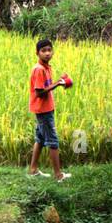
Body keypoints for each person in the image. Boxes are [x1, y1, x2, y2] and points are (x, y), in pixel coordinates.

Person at [28, 38, 71, 181]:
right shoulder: (39, 70)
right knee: (53, 141)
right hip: (43, 110)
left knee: (40, 139)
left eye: (49, 50)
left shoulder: (46, 67)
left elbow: (46, 87)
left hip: (46, 108)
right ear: (37, 53)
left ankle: (33, 170)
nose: (47, 53)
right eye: (43, 51)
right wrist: (58, 83)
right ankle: (58, 175)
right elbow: (40, 92)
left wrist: (59, 82)